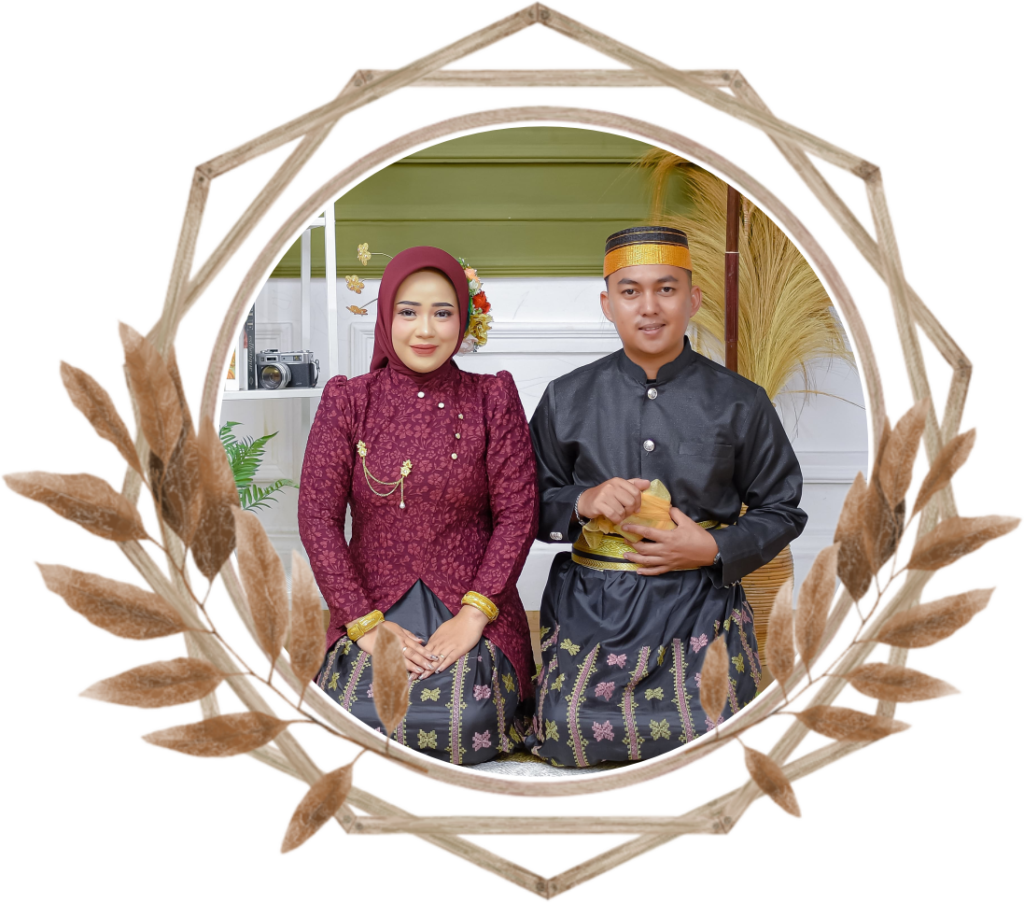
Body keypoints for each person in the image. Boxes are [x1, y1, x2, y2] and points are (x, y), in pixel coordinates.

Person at [525, 226, 807, 767]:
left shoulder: (741, 401)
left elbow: (782, 508)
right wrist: (583, 501)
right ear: (607, 304)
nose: (649, 307)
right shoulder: (566, 397)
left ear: (693, 299)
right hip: (595, 608)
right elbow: (525, 505)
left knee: (712, 733)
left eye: (667, 289)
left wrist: (712, 549)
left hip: (699, 604)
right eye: (630, 291)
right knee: (566, 733)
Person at [298, 246, 538, 765]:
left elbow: (519, 514)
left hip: (473, 601)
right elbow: (317, 518)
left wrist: (474, 615)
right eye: (408, 312)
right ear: (387, 316)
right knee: (361, 714)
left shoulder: (492, 398)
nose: (425, 330)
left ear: (463, 319)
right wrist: (364, 624)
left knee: (465, 719)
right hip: (371, 603)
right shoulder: (348, 401)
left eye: (442, 312)